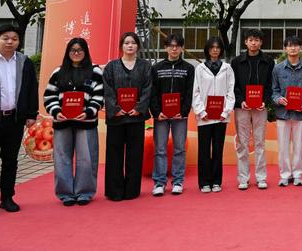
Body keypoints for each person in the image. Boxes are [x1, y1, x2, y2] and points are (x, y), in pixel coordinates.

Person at [44, 38, 104, 205]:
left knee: (87, 158)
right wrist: (56, 112)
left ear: (85, 52)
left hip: (86, 122)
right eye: (73, 50)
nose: (76, 53)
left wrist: (88, 112)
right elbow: (49, 96)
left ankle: (84, 192)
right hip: (62, 122)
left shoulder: (95, 71)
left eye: (80, 50)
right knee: (62, 158)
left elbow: (99, 96)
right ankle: (66, 193)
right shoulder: (58, 72)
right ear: (68, 52)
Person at [0, 25, 38, 216]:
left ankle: (7, 198)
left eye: (14, 39)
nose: (10, 42)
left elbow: (32, 89)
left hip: (15, 120)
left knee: (10, 161)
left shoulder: (25, 63)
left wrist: (31, 114)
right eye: (5, 38)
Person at [102, 32, 153, 201]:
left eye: (133, 43)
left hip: (135, 118)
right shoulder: (111, 67)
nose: (130, 46)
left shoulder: (145, 66)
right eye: (126, 43)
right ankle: (114, 191)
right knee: (114, 154)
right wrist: (115, 108)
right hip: (116, 118)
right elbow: (107, 89)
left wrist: (139, 108)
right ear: (121, 46)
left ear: (138, 46)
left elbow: (148, 89)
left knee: (134, 154)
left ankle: (132, 190)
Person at [150, 34, 195, 196]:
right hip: (161, 116)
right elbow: (153, 92)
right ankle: (159, 182)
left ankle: (178, 181)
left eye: (177, 46)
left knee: (179, 149)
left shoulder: (189, 68)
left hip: (179, 116)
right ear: (165, 48)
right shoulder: (157, 68)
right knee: (160, 149)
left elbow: (189, 92)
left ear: (182, 48)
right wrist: (157, 112)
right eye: (171, 46)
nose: (174, 49)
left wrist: (183, 112)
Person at [231, 28, 274, 190]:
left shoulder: (268, 61)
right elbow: (233, 85)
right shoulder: (236, 62)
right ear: (245, 42)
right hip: (242, 107)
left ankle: (261, 178)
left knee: (260, 142)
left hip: (260, 107)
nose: (253, 43)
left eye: (256, 40)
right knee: (242, 143)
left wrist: (265, 101)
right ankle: (243, 178)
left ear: (261, 42)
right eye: (250, 40)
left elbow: (270, 85)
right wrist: (240, 101)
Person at [192, 37, 235, 193]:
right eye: (212, 47)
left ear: (221, 50)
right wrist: (201, 111)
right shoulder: (200, 68)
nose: (215, 50)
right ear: (207, 50)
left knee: (218, 149)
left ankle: (216, 181)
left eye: (217, 47)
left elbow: (231, 91)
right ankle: (204, 182)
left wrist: (226, 111)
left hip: (221, 116)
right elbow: (195, 92)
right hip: (204, 116)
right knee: (204, 150)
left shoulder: (227, 68)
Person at [271, 35, 302, 187]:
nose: (293, 48)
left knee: (299, 147)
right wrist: (278, 99)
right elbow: (274, 91)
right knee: (283, 147)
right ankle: (284, 175)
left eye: (296, 45)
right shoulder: (277, 69)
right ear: (285, 49)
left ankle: (297, 174)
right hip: (282, 113)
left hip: (300, 114)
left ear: (301, 48)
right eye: (289, 45)